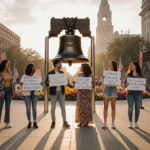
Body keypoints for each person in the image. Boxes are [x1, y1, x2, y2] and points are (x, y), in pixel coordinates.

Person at [45, 59, 71, 128]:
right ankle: (53, 121)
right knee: (53, 107)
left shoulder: (62, 73)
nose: (61, 65)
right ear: (56, 65)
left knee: (63, 107)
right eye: (60, 64)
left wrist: (72, 85)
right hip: (53, 93)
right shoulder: (50, 73)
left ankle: (64, 121)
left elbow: (66, 83)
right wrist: (47, 83)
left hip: (61, 92)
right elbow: (46, 83)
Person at [124, 61, 150, 129]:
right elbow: (124, 84)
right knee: (130, 108)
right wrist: (125, 85)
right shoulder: (128, 75)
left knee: (137, 108)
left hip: (138, 93)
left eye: (132, 65)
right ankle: (130, 122)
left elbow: (144, 85)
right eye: (130, 65)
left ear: (136, 66)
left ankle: (135, 122)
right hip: (130, 93)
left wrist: (147, 87)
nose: (131, 66)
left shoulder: (140, 75)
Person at [20, 64, 43, 129]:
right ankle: (29, 122)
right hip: (27, 94)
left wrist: (41, 84)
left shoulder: (36, 76)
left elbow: (39, 84)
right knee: (28, 108)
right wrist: (21, 84)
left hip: (34, 93)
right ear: (30, 68)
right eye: (33, 67)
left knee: (34, 108)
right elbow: (21, 84)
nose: (34, 68)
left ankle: (35, 122)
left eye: (35, 67)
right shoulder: (24, 76)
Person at [102, 61, 122, 129]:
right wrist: (103, 78)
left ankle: (112, 123)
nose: (109, 64)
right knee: (105, 106)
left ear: (113, 65)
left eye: (110, 63)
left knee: (113, 107)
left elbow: (119, 83)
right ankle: (104, 122)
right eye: (109, 63)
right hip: (106, 88)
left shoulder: (117, 73)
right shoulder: (106, 72)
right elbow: (103, 82)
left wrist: (120, 80)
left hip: (113, 89)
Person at [0, 60, 13, 128]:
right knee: (0, 107)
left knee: (7, 107)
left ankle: (7, 122)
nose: (9, 65)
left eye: (9, 64)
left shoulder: (10, 73)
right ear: (4, 64)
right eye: (8, 63)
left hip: (9, 91)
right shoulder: (0, 73)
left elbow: (12, 81)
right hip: (2, 91)